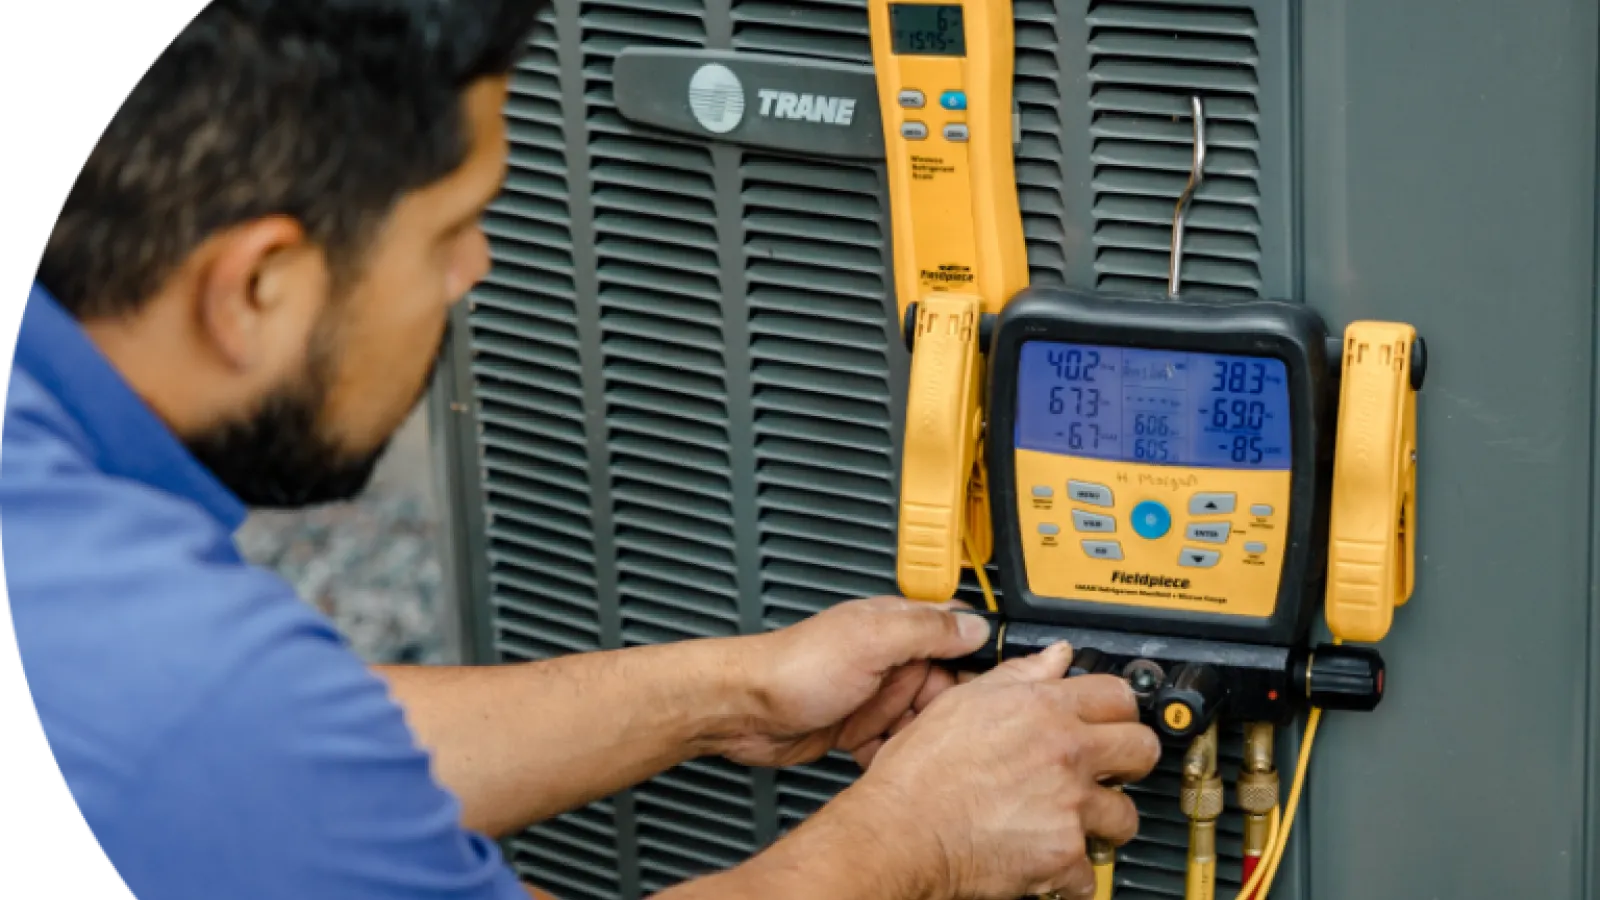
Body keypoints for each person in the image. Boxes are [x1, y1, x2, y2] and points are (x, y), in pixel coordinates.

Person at [3, 2, 1161, 899]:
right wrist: (923, 838)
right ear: (255, 288)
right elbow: (230, 736)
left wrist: (726, 693)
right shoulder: (171, 676)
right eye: (451, 227)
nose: (480, 272)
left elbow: (276, 760)